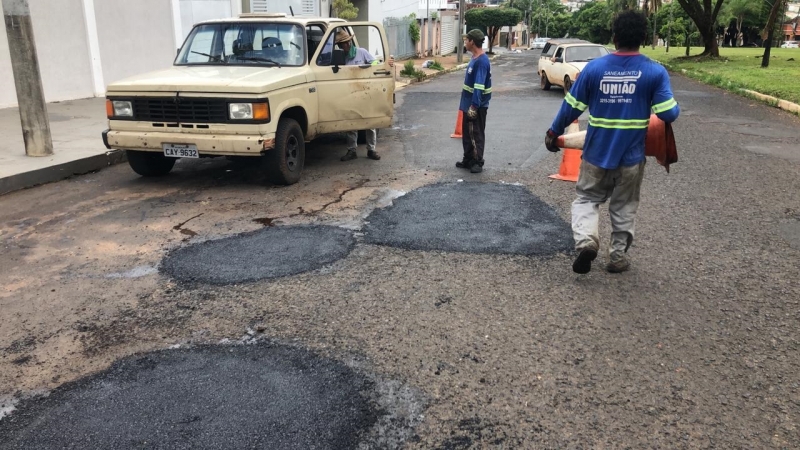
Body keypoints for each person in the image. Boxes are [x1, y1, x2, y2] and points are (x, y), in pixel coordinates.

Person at [544, 10, 680, 274]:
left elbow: (571, 108)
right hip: (631, 158)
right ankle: (617, 258)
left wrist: (553, 132)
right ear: (643, 38)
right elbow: (668, 113)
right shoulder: (654, 71)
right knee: (624, 206)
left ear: (615, 37)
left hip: (596, 153)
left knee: (586, 199)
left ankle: (586, 242)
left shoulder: (594, 69)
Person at [335, 29, 394, 162]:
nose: (342, 46)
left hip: (365, 91)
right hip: (350, 93)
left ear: (349, 42)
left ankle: (371, 150)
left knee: (370, 122)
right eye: (340, 44)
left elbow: (375, 64)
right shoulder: (340, 57)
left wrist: (384, 64)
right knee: (351, 123)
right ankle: (352, 150)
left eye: (343, 43)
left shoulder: (362, 52)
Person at [456, 29, 492, 174]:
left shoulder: (482, 61)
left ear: (472, 42)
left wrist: (474, 106)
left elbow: (479, 86)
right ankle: (468, 158)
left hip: (476, 105)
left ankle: (477, 161)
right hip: (467, 104)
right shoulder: (474, 58)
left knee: (476, 133)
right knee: (467, 133)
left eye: (467, 40)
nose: (465, 42)